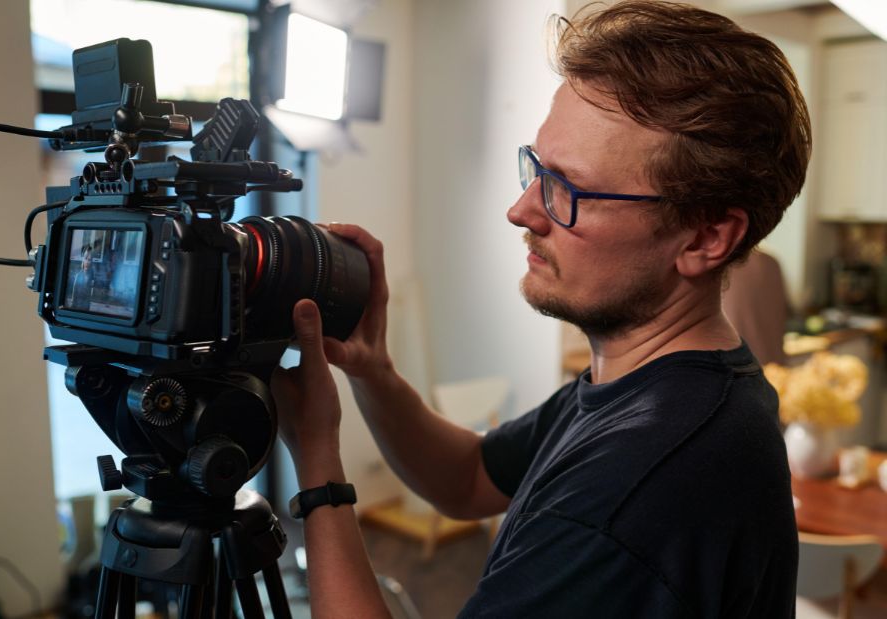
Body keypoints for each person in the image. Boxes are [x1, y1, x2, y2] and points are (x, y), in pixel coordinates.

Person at [270, 1, 811, 617]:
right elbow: (471, 477)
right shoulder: (650, 383)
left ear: (705, 237)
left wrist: (318, 462)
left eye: (569, 189)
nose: (522, 210)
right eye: (537, 170)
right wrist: (373, 371)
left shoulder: (641, 482)